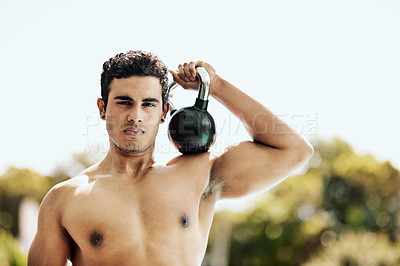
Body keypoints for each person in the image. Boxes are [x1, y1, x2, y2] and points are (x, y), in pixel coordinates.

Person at [28, 50, 314, 265]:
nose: (135, 116)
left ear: (164, 112)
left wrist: (217, 87)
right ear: (103, 107)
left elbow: (294, 150)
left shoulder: (198, 175)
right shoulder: (64, 200)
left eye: (148, 104)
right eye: (124, 102)